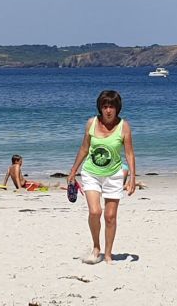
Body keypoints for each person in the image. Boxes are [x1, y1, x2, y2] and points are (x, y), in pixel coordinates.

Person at [67, 89, 138, 264]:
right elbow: (84, 148)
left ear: (117, 108)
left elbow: (129, 154)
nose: (108, 110)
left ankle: (108, 254)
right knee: (95, 211)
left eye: (111, 107)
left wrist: (132, 178)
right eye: (105, 106)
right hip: (91, 173)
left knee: (110, 216)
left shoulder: (124, 126)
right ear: (100, 107)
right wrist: (73, 171)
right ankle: (96, 247)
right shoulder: (91, 123)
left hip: (114, 175)